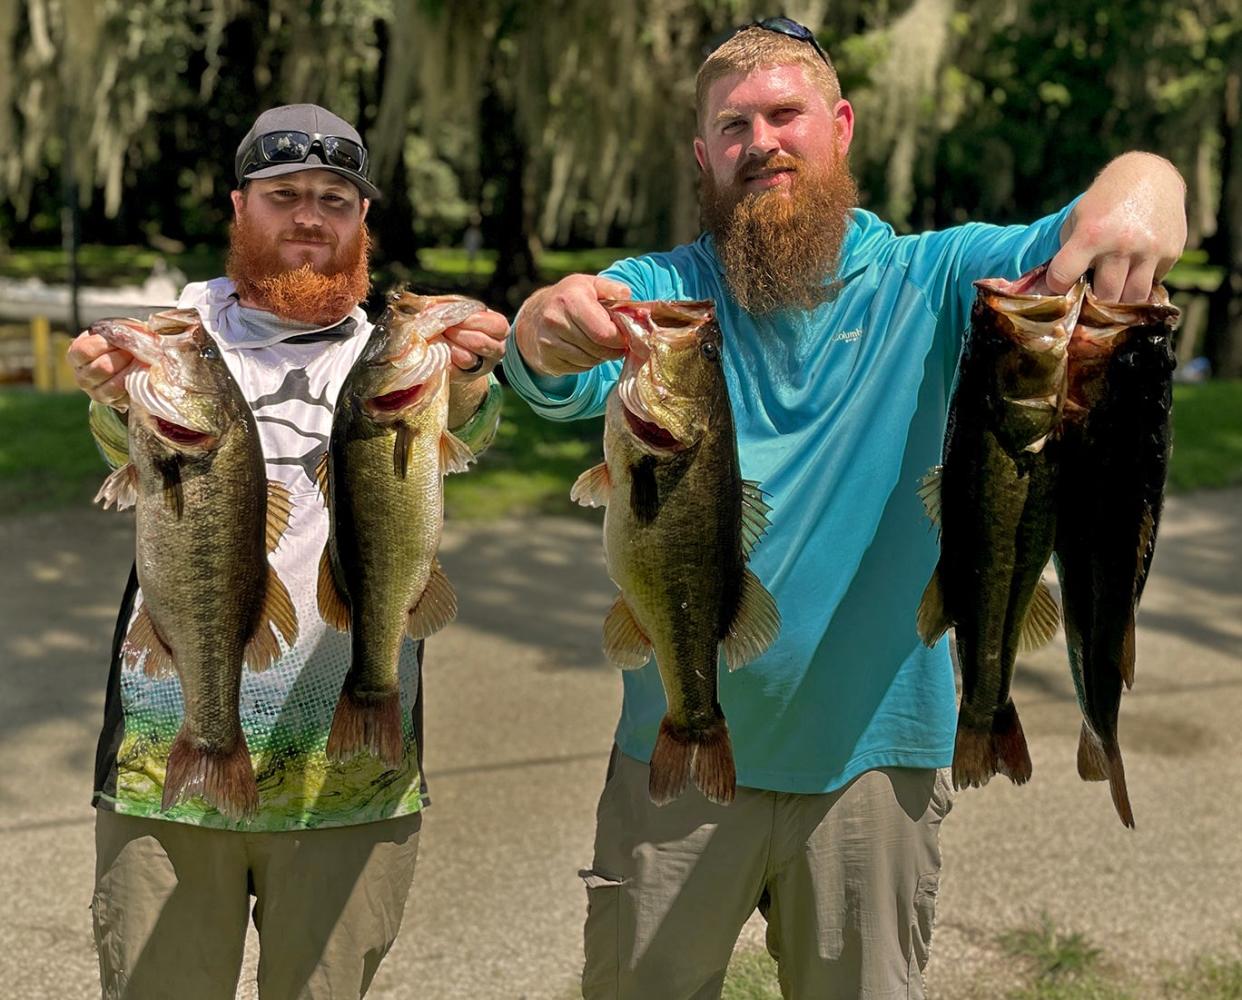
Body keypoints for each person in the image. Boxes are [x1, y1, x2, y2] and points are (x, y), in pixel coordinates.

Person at [505, 18, 1186, 1000]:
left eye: (786, 114)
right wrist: (546, 326)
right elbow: (548, 358)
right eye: (733, 126)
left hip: (877, 768)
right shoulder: (665, 301)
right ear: (704, 156)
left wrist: (1141, 191)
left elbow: (1121, 205)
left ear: (841, 127)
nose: (762, 142)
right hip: (676, 762)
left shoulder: (939, 279)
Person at [67, 103, 509, 999]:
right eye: (284, 196)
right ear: (240, 208)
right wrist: (111, 396)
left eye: (335, 199)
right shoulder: (174, 339)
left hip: (348, 776)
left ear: (361, 221)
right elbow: (125, 445)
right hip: (168, 773)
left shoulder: (397, 352)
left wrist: (468, 377)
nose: (310, 217)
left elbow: (469, 423)